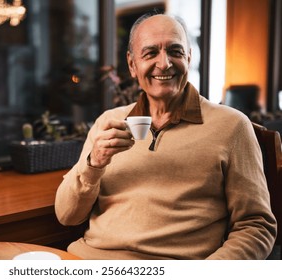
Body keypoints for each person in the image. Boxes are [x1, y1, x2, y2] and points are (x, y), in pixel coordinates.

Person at [54, 13, 277, 259]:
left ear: (189, 58)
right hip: (88, 261)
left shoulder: (232, 126)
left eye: (175, 51)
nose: (164, 63)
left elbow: (256, 226)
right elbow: (67, 215)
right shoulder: (108, 122)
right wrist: (93, 163)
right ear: (132, 65)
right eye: (150, 53)